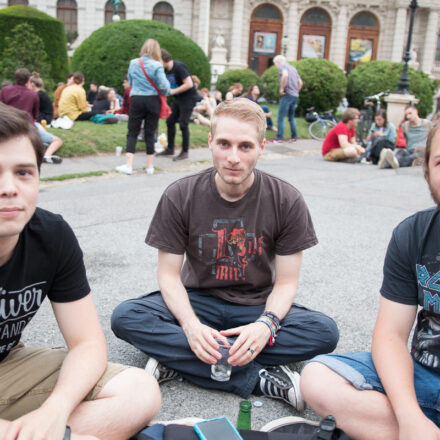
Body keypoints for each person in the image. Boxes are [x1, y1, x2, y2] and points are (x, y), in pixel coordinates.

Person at [111, 98, 339, 410]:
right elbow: (167, 275)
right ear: (210, 143)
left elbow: (286, 283)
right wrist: (190, 326)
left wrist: (265, 326)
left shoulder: (286, 199)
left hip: (256, 304)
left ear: (262, 146)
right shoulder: (181, 194)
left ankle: (180, 361)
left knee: (323, 332)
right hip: (197, 301)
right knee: (126, 317)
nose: (233, 157)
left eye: (245, 146)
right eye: (224, 144)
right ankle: (257, 377)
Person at [0, 103, 161, 439]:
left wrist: (55, 410)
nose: (9, 188)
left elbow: (86, 343)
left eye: (23, 172)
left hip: (8, 366)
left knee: (140, 391)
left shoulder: (51, 235)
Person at [301, 122, 440, 440]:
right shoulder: (413, 234)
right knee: (317, 379)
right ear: (427, 171)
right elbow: (391, 335)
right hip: (422, 375)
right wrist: (408, 417)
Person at [115, 38, 170, 175]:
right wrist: (163, 92)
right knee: (150, 132)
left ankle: (129, 165)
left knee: (132, 131)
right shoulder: (157, 65)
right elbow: (164, 87)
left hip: (137, 99)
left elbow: (131, 81)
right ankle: (149, 167)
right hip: (152, 100)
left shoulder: (134, 63)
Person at [0, 68, 63, 164]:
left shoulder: (5, 90)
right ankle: (46, 154)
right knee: (57, 140)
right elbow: (35, 115)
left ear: (15, 78)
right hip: (27, 126)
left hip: (8, 125)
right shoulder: (33, 95)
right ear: (28, 80)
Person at [156, 49, 199, 161]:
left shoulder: (179, 67)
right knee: (170, 121)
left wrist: (173, 91)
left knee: (183, 124)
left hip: (188, 98)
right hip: (178, 98)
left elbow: (189, 84)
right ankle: (170, 148)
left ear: (163, 59)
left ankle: (185, 151)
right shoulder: (166, 71)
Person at [378, 105, 432, 169]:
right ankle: (391, 161)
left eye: (410, 113)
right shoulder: (405, 126)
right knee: (400, 152)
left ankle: (387, 164)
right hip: (410, 149)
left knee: (412, 157)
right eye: (406, 115)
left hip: (422, 150)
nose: (408, 116)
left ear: (416, 111)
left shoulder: (427, 123)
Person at [272, 55, 303, 143]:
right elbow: (300, 82)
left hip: (287, 94)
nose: (276, 66)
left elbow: (285, 76)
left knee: (280, 117)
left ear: (278, 62)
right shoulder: (293, 68)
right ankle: (293, 138)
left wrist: (281, 88)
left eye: (275, 64)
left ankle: (279, 138)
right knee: (291, 117)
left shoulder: (283, 67)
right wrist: (296, 91)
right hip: (295, 95)